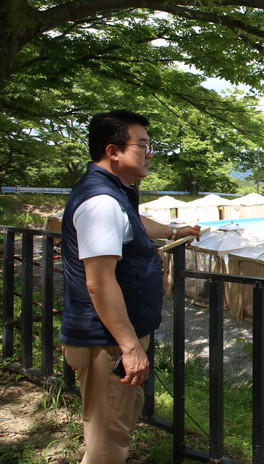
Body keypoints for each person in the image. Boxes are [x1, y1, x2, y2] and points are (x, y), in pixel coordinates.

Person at [60, 110, 200, 463]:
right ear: (113, 151)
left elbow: (133, 221)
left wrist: (175, 231)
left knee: (118, 423)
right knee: (107, 445)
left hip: (111, 338)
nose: (150, 153)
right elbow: (99, 282)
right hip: (106, 341)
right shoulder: (101, 203)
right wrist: (129, 347)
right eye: (142, 145)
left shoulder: (112, 194)